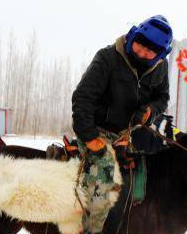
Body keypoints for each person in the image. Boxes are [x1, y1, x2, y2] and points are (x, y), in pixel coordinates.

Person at [71, 15, 172, 154]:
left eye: (149, 51)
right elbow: (83, 97)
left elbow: (162, 98)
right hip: (97, 130)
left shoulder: (161, 67)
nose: (141, 54)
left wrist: (151, 111)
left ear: (160, 56)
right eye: (140, 45)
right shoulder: (107, 58)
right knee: (106, 170)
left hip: (129, 136)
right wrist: (89, 136)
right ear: (133, 35)